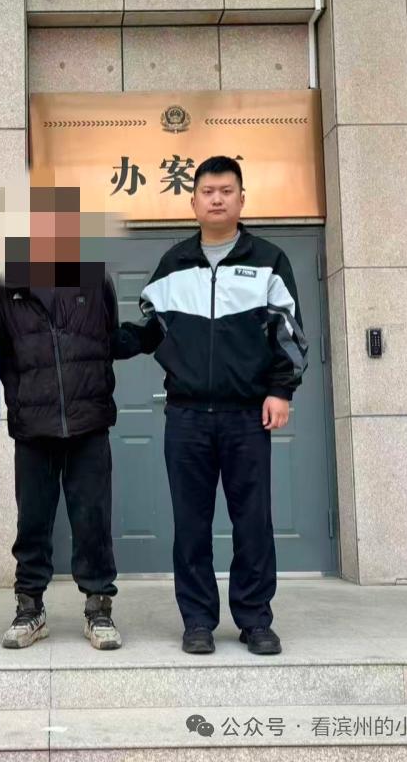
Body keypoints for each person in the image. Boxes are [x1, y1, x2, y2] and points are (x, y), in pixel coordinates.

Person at [120, 156, 308, 656]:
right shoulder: (173, 263)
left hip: (247, 416)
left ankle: (255, 620)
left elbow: (289, 332)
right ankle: (198, 621)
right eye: (208, 191)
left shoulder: (268, 260)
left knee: (253, 522)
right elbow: (153, 330)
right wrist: (101, 340)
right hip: (186, 418)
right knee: (191, 525)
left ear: (242, 198)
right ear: (194, 201)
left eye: (227, 190)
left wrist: (281, 390)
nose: (217, 198)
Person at [0, 186, 127, 651]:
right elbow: (3, 355)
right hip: (34, 426)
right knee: (32, 520)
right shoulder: (7, 287)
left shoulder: (94, 278)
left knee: (92, 518)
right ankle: (30, 607)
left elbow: (108, 339)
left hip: (89, 422)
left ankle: (98, 608)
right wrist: (17, 403)